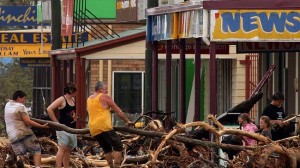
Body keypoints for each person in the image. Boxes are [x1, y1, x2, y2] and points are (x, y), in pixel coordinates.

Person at [87, 81, 133, 168]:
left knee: (106, 148)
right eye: (105, 89)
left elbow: (99, 110)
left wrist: (108, 111)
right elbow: (118, 110)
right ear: (101, 89)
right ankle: (117, 166)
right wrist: (127, 121)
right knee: (118, 145)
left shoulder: (89, 98)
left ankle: (111, 166)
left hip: (93, 128)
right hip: (104, 127)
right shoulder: (104, 96)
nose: (107, 91)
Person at [4, 90, 48, 167]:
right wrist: (42, 126)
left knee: (21, 154)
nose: (24, 101)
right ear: (18, 98)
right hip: (23, 132)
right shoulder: (20, 106)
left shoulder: (8, 104)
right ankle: (37, 167)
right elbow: (28, 122)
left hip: (11, 135)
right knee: (36, 149)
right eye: (23, 98)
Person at [47, 82, 78, 168]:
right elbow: (49, 109)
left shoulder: (73, 100)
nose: (76, 93)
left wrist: (75, 117)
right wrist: (56, 122)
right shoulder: (61, 99)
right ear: (71, 91)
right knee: (62, 148)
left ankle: (66, 166)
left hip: (72, 127)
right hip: (62, 128)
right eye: (75, 91)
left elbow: (71, 112)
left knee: (68, 149)